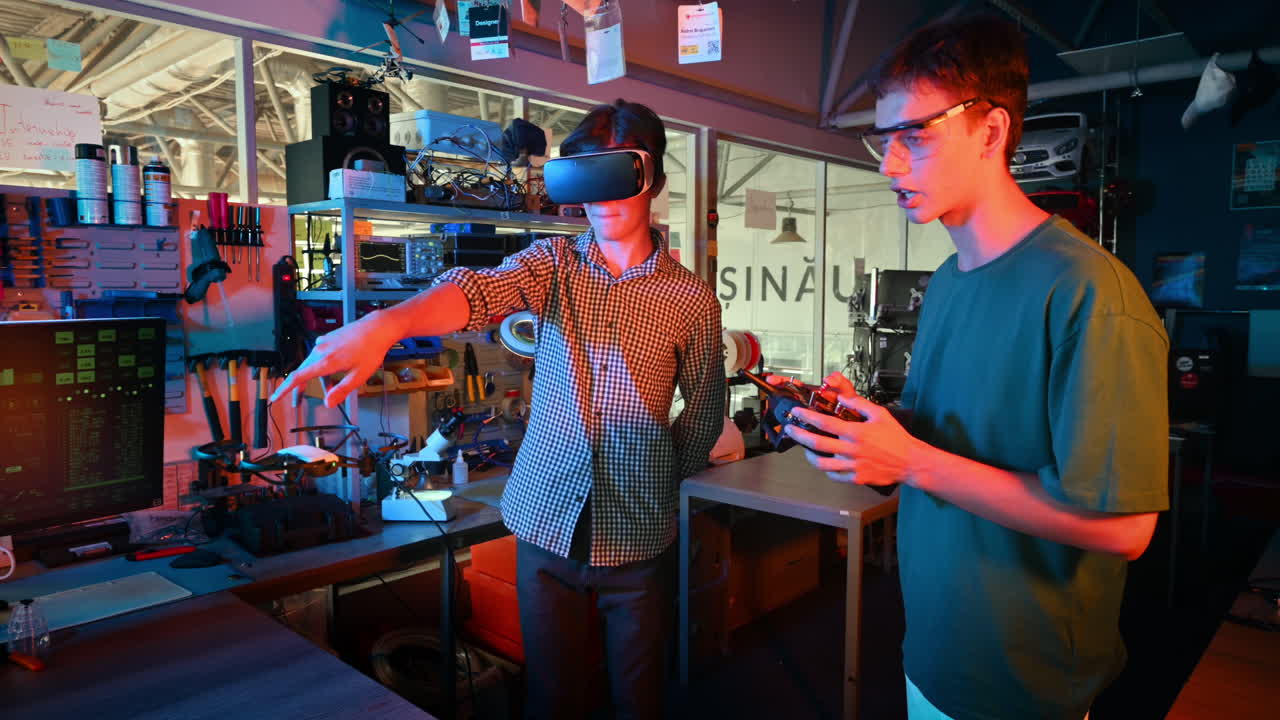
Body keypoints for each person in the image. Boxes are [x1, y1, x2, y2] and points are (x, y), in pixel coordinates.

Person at [271, 99, 724, 720]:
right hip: (546, 527)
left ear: (653, 179)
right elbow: (479, 291)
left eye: (619, 173)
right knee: (554, 702)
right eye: (585, 176)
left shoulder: (690, 300)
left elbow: (702, 413)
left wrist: (657, 479)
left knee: (640, 702)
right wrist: (389, 322)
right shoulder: (554, 265)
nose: (603, 196)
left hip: (639, 538)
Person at [778, 15, 1169, 720]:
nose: (887, 165)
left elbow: (1125, 528)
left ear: (991, 132)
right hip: (934, 645)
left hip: (1025, 680)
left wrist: (913, 463)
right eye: (882, 139)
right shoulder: (950, 278)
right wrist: (870, 431)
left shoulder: (1089, 292)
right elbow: (951, 439)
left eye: (914, 137)